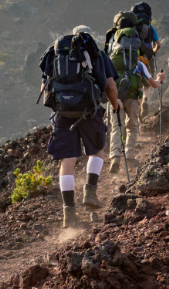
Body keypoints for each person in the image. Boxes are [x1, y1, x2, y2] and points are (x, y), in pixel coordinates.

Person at [39, 25, 122, 228]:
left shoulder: (55, 54)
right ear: (89, 37)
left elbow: (44, 86)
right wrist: (114, 105)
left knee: (67, 161)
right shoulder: (98, 54)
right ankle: (90, 191)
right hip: (89, 112)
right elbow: (110, 86)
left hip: (62, 114)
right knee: (96, 153)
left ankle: (69, 213)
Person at [108, 40, 166, 174]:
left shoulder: (111, 61)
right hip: (133, 99)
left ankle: (115, 157)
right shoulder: (139, 64)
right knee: (132, 127)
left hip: (115, 99)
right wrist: (160, 79)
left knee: (117, 127)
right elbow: (154, 84)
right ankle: (130, 156)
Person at [131, 2, 161, 118]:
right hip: (147, 59)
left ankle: (137, 108)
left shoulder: (132, 29)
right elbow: (159, 44)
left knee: (137, 85)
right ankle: (145, 102)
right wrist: (153, 52)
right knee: (147, 85)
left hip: (134, 58)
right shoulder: (151, 28)